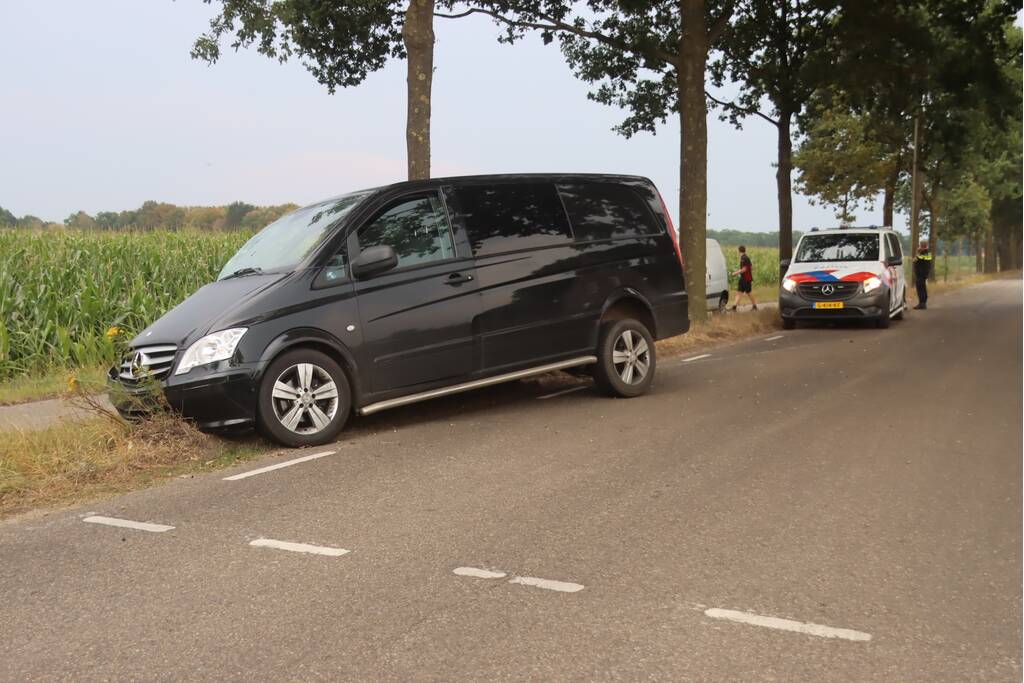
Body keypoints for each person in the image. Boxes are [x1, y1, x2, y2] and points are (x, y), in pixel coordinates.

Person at [730, 245, 757, 311]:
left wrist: (735, 273)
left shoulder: (743, 258)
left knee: (749, 293)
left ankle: (754, 306)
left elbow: (744, 269)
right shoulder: (746, 257)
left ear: (739, 251)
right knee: (739, 292)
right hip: (744, 278)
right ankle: (734, 307)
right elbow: (751, 267)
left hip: (746, 279)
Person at [913, 240, 933, 310]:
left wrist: (918, 251)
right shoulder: (928, 252)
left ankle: (922, 303)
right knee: (922, 288)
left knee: (920, 289)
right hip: (923, 273)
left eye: (920, 245)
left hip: (921, 274)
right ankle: (922, 303)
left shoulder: (924, 252)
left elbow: (915, 260)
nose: (919, 246)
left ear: (921, 245)